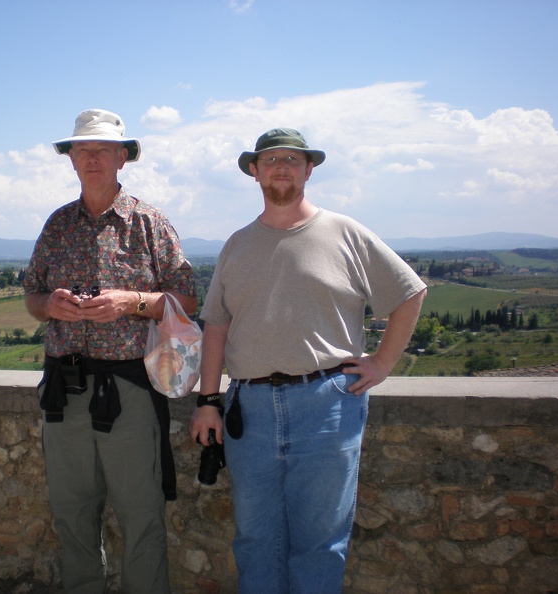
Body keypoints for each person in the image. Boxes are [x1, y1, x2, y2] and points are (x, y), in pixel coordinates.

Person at [190, 128, 426, 593]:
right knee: (255, 540)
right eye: (271, 159)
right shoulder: (237, 244)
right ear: (254, 171)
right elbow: (215, 325)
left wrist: (382, 363)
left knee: (320, 543)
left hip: (327, 406)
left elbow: (410, 292)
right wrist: (208, 400)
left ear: (308, 170)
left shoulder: (345, 233)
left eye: (292, 159)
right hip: (250, 411)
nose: (281, 167)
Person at [24, 108, 197, 594]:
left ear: (123, 158)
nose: (92, 158)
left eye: (103, 150)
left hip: (129, 390)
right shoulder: (58, 225)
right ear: (71, 159)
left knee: (140, 513)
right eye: (83, 150)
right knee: (72, 513)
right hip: (64, 391)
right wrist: (48, 305)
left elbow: (186, 300)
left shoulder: (148, 223)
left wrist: (131, 302)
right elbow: (32, 296)